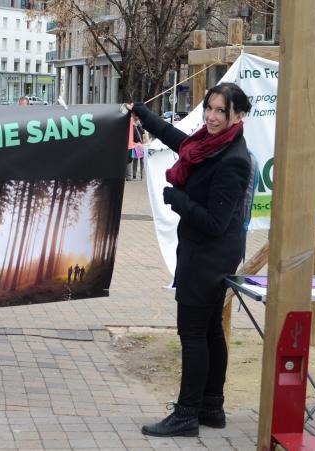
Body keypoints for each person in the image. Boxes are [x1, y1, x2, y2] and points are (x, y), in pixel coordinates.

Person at [128, 82, 253, 437]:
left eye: (220, 111)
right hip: (204, 253)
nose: (212, 117)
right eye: (209, 109)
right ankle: (211, 408)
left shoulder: (233, 160)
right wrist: (140, 110)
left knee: (193, 333)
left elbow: (215, 222)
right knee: (211, 330)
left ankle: (186, 414)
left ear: (237, 116)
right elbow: (174, 138)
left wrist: (176, 199)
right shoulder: (205, 145)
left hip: (209, 257)